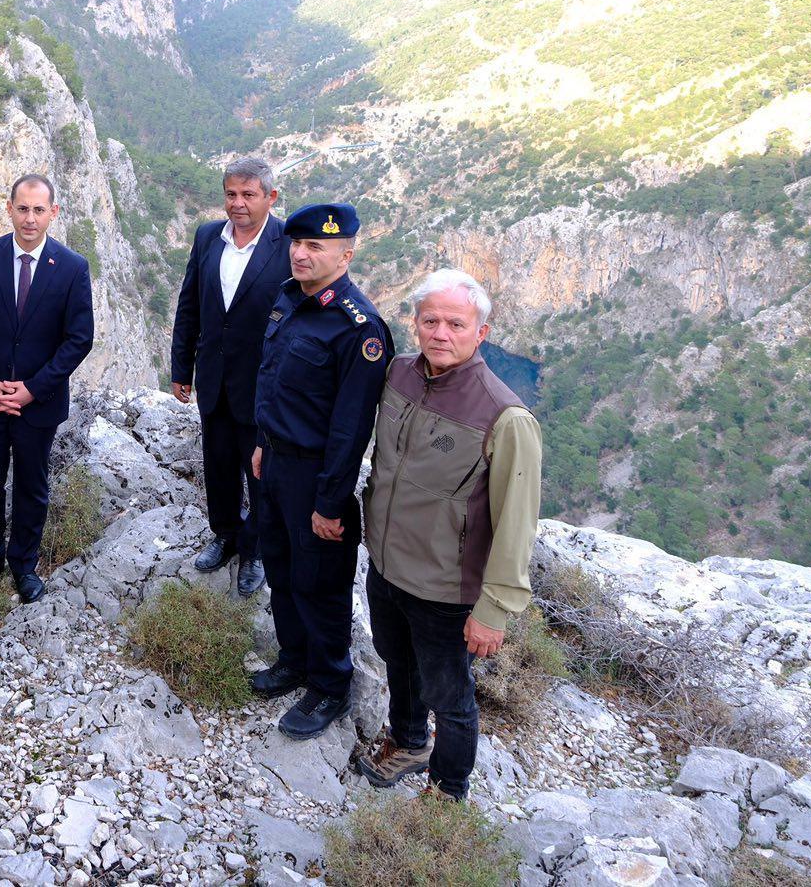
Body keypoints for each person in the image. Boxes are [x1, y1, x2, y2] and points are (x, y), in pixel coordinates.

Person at [356, 269, 542, 801]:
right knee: (396, 659)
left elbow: (517, 522)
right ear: (414, 323)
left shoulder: (505, 417)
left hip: (444, 586)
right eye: (430, 320)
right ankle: (409, 742)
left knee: (451, 696)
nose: (441, 333)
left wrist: (494, 609)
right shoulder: (398, 376)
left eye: (455, 324)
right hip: (388, 564)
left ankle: (447, 791)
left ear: (480, 333)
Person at [249, 203, 393, 741]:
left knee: (320, 584)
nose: (301, 253)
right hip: (278, 462)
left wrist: (330, 502)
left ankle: (331, 685)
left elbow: (350, 428)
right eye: (297, 243)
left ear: (346, 254)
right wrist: (265, 443)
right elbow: (273, 381)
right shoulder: (289, 300)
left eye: (316, 247)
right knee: (282, 569)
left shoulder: (359, 327)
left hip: (318, 475)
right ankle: (294, 659)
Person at [0, 174, 95, 604]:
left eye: (39, 210)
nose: (30, 218)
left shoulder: (72, 267)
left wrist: (33, 389)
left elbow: (79, 338)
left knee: (32, 485)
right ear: (10, 209)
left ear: (53, 212)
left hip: (40, 403)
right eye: (23, 208)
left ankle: (24, 565)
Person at [169, 156, 285, 597]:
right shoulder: (207, 238)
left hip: (263, 386)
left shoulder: (288, 242)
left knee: (259, 473)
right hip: (214, 380)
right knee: (217, 466)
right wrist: (182, 368)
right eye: (231, 194)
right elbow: (189, 305)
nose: (238, 204)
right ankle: (224, 535)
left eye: (248, 195)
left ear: (270, 197)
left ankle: (253, 551)